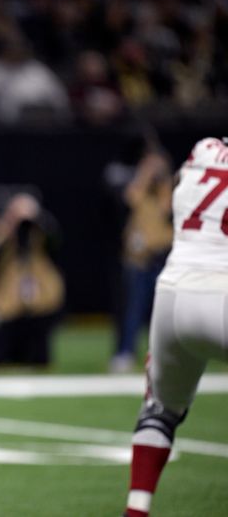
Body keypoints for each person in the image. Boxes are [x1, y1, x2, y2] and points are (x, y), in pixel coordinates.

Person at [122, 136, 228, 517]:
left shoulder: (203, 150)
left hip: (173, 291)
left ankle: (136, 510)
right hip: (222, 290)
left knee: (159, 410)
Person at [0, 193, 64, 368]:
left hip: (40, 292)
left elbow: (56, 244)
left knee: (40, 355)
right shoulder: (2, 229)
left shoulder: (40, 230)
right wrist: (6, 226)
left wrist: (39, 220)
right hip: (8, 292)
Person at [111, 150, 173, 373]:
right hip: (139, 260)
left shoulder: (168, 192)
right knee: (132, 310)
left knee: (164, 314)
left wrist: (162, 175)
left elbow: (170, 208)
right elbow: (131, 198)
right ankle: (125, 353)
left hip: (163, 258)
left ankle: (165, 356)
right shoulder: (140, 192)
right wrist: (145, 174)